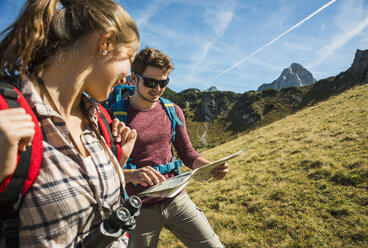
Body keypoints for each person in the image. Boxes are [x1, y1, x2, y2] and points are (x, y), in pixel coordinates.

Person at [0, 0, 140, 247]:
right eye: (129, 57)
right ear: (106, 42)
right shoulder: (6, 115)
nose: (127, 78)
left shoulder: (102, 122)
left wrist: (119, 161)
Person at [109, 47, 229, 248]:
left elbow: (187, 154)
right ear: (134, 78)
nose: (157, 88)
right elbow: (102, 169)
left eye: (163, 82)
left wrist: (211, 166)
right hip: (138, 208)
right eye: (150, 82)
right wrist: (131, 174)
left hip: (177, 199)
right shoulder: (113, 115)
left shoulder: (172, 111)